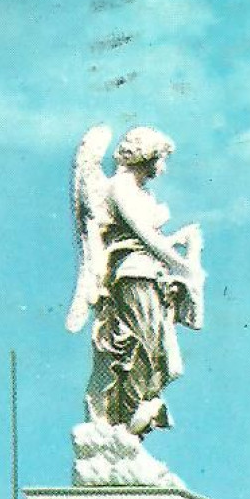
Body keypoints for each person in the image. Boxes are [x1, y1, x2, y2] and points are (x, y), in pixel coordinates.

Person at [69, 125, 204, 437]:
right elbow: (145, 238)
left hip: (149, 277)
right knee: (139, 348)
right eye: (162, 158)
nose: (163, 166)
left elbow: (148, 240)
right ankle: (128, 419)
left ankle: (133, 420)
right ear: (148, 155)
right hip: (133, 278)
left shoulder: (140, 192)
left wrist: (180, 242)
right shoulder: (119, 188)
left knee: (160, 356)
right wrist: (183, 265)